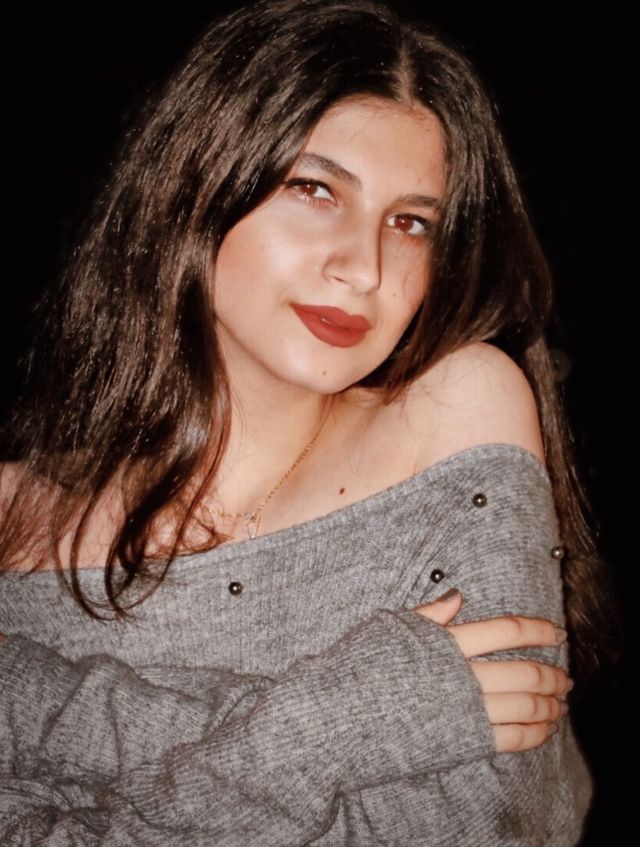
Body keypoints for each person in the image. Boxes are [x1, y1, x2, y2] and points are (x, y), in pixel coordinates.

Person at [0, 0, 610, 843]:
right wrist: (341, 716)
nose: (364, 268)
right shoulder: (13, 523)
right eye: (315, 189)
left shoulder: (453, 417)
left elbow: (498, 826)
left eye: (410, 223)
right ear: (194, 185)